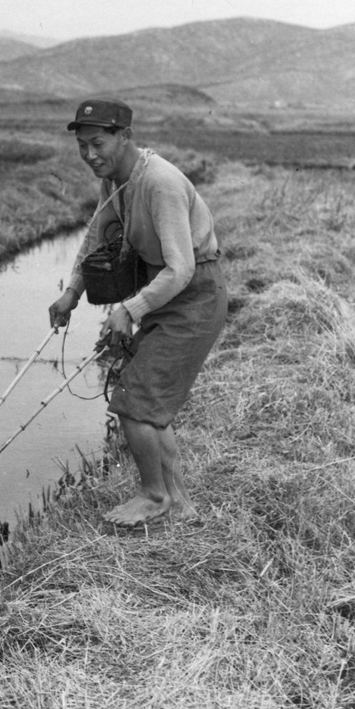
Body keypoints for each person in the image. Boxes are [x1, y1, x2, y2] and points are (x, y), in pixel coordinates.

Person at [49, 96, 226, 527]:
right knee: (149, 401)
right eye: (82, 146)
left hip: (193, 294)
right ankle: (180, 504)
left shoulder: (159, 183)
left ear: (125, 136)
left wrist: (130, 309)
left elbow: (182, 268)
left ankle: (153, 497)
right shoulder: (115, 179)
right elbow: (96, 235)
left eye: (98, 144)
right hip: (164, 289)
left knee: (135, 401)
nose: (90, 155)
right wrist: (72, 290)